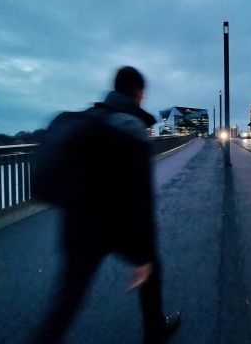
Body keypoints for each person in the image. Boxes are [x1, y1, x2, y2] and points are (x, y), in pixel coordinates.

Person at [32, 66, 180, 344]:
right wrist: (143, 255)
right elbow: (141, 198)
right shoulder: (130, 128)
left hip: (78, 226)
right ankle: (155, 331)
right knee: (151, 268)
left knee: (67, 300)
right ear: (140, 93)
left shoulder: (92, 118)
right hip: (116, 226)